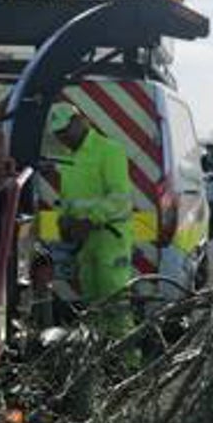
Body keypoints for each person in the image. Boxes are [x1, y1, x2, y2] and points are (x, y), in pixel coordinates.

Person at [48, 102, 135, 336]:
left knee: (116, 305)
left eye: (65, 131)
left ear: (80, 122)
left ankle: (126, 364)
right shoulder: (69, 158)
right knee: (92, 307)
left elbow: (119, 198)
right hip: (83, 244)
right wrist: (63, 220)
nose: (62, 138)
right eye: (58, 134)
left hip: (109, 239)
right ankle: (98, 361)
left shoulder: (110, 151)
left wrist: (89, 221)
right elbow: (68, 199)